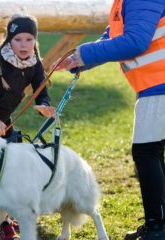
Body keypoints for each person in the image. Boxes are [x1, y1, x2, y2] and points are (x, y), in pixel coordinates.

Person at [52, 0, 165, 239]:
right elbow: (114, 37)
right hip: (155, 86)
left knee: (147, 154)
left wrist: (82, 53)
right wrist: (78, 59)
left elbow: (135, 42)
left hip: (159, 87)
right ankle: (159, 224)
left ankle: (158, 229)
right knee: (152, 154)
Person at [0, 14, 55, 239]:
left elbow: (41, 90)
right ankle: (2, 225)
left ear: (35, 40)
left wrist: (44, 105)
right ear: (8, 41)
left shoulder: (35, 63)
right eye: (17, 40)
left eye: (28, 39)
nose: (23, 45)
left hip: (3, 123)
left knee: (11, 169)